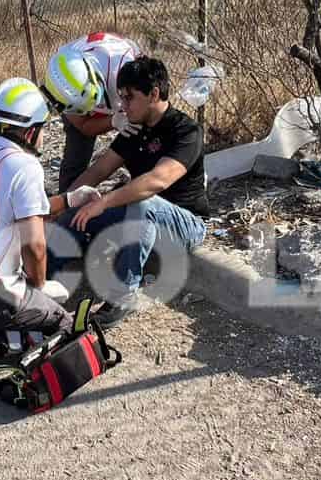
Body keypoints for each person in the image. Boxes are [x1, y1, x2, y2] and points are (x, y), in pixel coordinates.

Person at [0, 78, 101, 389]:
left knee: (30, 309)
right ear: (29, 131)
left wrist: (69, 200)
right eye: (42, 127)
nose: (44, 134)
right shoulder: (24, 165)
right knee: (68, 327)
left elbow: (22, 209)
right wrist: (39, 287)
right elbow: (34, 245)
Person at [59, 57, 209, 323]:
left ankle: (122, 296)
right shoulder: (134, 129)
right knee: (74, 210)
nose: (122, 106)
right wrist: (63, 202)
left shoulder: (186, 131)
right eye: (121, 98)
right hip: (139, 218)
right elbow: (98, 170)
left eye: (129, 98)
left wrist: (104, 203)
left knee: (142, 202)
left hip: (184, 223)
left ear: (153, 94)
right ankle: (37, 283)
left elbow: (157, 181)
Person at [43, 32, 143, 192]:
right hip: (84, 98)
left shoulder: (125, 65)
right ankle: (67, 197)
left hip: (115, 81)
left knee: (142, 138)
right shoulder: (62, 81)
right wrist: (113, 121)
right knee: (77, 150)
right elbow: (83, 126)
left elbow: (149, 102)